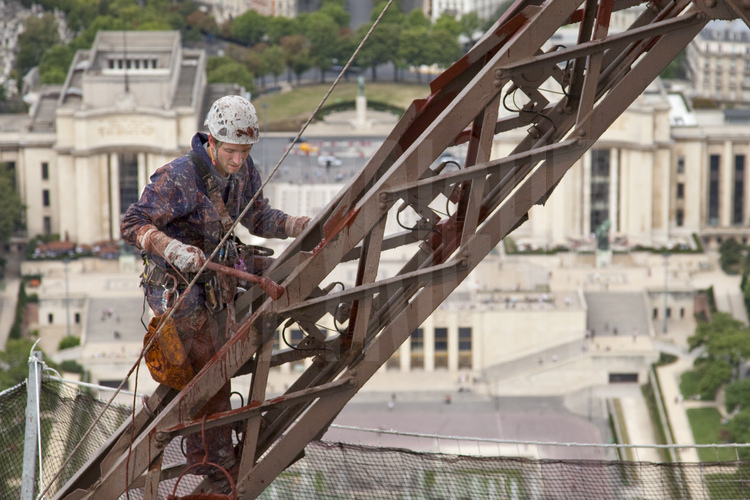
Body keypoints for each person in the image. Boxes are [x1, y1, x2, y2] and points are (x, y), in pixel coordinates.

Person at [120, 95, 310, 492]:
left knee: (294, 272)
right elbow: (133, 223)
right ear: (211, 141)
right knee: (207, 358)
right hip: (177, 282)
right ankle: (211, 459)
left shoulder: (243, 170)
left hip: (221, 267)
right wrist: (169, 246)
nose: (238, 160)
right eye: (231, 151)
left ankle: (316, 328)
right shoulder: (177, 177)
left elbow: (257, 216)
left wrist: (295, 224)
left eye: (244, 152)